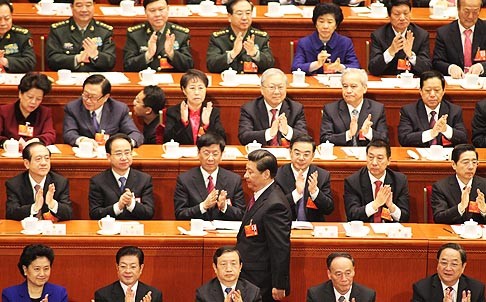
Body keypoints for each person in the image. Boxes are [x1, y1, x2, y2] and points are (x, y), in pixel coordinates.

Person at [236, 150, 291, 302]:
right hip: (252, 276)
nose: (245, 175)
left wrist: (280, 284)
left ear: (266, 174)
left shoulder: (275, 205)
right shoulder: (261, 194)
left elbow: (280, 247)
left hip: (262, 281)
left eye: (250, 172)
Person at [174, 133, 245, 220]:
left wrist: (224, 207)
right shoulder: (185, 179)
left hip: (223, 232)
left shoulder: (234, 180)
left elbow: (242, 214)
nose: (210, 158)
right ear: (198, 153)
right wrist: (203, 206)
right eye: (206, 153)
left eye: (215, 154)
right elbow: (180, 214)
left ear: (221, 155)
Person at [63, 74, 144, 150]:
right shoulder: (73, 108)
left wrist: (124, 144)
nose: (87, 100)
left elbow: (136, 134)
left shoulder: (119, 109)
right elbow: (69, 133)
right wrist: (81, 140)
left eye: (93, 97)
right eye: (85, 95)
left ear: (106, 97)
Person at [89, 134, 155, 220]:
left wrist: (131, 204)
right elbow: (94, 214)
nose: (124, 158)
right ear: (108, 157)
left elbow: (149, 213)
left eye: (127, 153)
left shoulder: (144, 179)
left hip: (135, 230)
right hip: (109, 230)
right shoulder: (97, 181)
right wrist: (118, 207)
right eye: (118, 153)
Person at [344, 139, 410, 222]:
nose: (374, 163)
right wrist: (375, 204)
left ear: (389, 160)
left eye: (379, 158)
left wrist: (391, 206)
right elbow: (352, 215)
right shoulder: (353, 182)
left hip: (390, 231)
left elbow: (405, 217)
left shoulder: (399, 181)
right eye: (371, 157)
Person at [238, 68, 308, 146]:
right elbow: (244, 137)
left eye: (281, 87)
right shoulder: (249, 109)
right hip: (260, 155)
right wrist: (269, 133)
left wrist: (287, 131)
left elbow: (304, 138)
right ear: (262, 89)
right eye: (272, 87)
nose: (277, 92)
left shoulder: (296, 109)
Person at [398, 70, 467, 147]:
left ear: (443, 91)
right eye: (427, 90)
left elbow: (463, 138)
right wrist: (431, 134)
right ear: (420, 91)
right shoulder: (409, 111)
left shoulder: (454, 110)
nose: (432, 95)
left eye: (437, 90)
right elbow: (403, 139)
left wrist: (446, 129)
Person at [5, 142, 72, 221]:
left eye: (47, 158)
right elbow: (11, 213)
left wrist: (52, 204)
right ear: (27, 163)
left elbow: (69, 214)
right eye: (38, 159)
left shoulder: (60, 182)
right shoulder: (14, 184)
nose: (43, 163)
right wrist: (34, 207)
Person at [320, 68, 388, 146]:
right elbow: (324, 139)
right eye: (345, 86)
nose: (348, 91)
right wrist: (348, 134)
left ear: (364, 88)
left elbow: (385, 139)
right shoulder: (331, 110)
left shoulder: (377, 109)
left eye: (353, 86)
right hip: (342, 156)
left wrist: (368, 133)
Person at [275, 134, 334, 222]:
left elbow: (328, 209)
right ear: (290, 152)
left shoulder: (322, 175)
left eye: (306, 154)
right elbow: (275, 207)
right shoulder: (278, 175)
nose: (301, 158)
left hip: (313, 228)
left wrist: (315, 192)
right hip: (285, 225)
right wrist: (297, 193)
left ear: (313, 156)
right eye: (297, 153)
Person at [124, 0, 193, 72]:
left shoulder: (181, 34)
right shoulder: (135, 34)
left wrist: (172, 54)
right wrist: (148, 55)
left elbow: (188, 66)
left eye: (161, 9)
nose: (157, 14)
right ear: (145, 12)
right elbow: (127, 66)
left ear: (168, 9)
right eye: (152, 10)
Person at [206, 0, 274, 73]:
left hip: (252, 82)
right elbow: (211, 66)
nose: (244, 17)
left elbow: (270, 65)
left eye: (248, 13)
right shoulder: (218, 38)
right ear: (229, 17)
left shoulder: (261, 38)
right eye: (239, 13)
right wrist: (232, 53)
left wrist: (255, 54)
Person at [46, 0, 115, 71]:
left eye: (88, 5)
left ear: (94, 6)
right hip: (68, 77)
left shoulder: (105, 31)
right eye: (79, 6)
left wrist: (96, 55)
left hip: (95, 78)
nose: (84, 10)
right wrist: (77, 58)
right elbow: (52, 60)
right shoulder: (58, 30)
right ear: (72, 7)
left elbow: (111, 62)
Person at [291, 3, 359, 75]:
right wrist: (316, 64)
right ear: (316, 23)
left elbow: (356, 67)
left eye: (330, 22)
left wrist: (340, 67)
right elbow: (295, 67)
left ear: (336, 25)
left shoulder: (345, 43)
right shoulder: (304, 43)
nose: (325, 26)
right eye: (321, 21)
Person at [368, 0, 431, 76]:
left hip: (412, 81)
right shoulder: (378, 35)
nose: (402, 18)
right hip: (388, 80)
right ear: (389, 15)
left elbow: (427, 68)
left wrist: (411, 55)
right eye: (397, 14)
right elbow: (373, 69)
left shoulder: (421, 35)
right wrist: (390, 52)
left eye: (406, 13)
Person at [164, 69, 226, 144]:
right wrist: (183, 122)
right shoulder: (173, 112)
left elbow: (222, 140)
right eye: (192, 88)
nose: (197, 92)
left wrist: (207, 125)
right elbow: (167, 139)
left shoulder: (212, 111)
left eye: (200, 88)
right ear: (184, 90)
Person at [431, 144, 486, 224]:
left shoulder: (484, 185)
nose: (471, 167)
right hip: (451, 234)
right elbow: (439, 217)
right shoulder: (441, 187)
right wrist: (461, 207)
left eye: (474, 162)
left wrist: (484, 211)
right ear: (454, 164)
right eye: (465, 162)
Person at [412, 243, 485, 302]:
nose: (448, 268)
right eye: (444, 263)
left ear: (463, 267)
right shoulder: (422, 289)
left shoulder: (476, 289)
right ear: (437, 264)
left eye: (454, 264)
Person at [0, 72, 56, 148]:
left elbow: (50, 134)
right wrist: (6, 143)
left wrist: (38, 140)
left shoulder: (45, 113)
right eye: (30, 97)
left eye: (38, 99)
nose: (33, 102)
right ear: (20, 94)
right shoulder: (4, 111)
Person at [433, 0, 486, 79]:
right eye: (466, 11)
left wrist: (481, 67)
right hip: (455, 81)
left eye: (475, 12)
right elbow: (437, 62)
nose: (470, 16)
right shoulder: (444, 33)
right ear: (458, 9)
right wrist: (450, 68)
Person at [94, 246, 163, 302]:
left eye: (133, 267)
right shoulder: (103, 295)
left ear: (141, 268)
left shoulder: (154, 295)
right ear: (117, 268)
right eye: (123, 266)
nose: (128, 271)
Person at [2, 244, 68, 302]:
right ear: (25, 269)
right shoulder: (10, 295)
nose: (42, 274)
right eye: (37, 269)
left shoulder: (60, 293)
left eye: (46, 269)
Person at [196, 246, 262, 302]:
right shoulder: (203, 294)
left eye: (233, 264)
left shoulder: (253, 292)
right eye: (223, 264)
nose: (229, 269)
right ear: (215, 268)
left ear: (240, 267)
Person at [306, 252, 376, 302]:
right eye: (338, 274)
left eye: (348, 273)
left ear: (354, 271)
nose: (344, 279)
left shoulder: (367, 296)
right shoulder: (315, 295)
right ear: (329, 274)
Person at [0, 0, 36, 73]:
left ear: (12, 16)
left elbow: (30, 63)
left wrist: (5, 61)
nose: (3, 23)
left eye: (7, 19)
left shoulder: (21, 36)